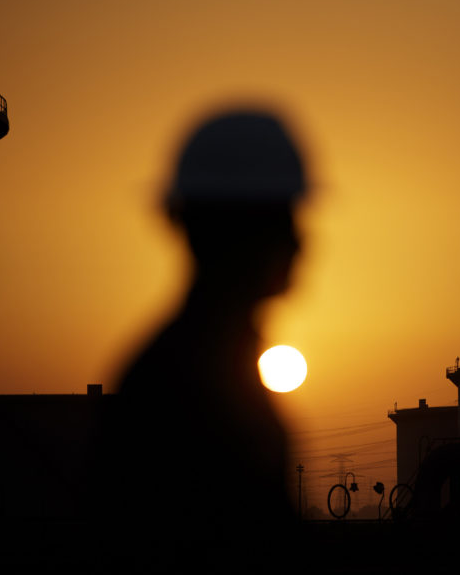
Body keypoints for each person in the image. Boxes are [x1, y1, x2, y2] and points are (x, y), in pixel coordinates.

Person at [100, 108, 306, 572]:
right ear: (231, 232)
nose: (301, 240)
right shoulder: (182, 390)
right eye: (282, 216)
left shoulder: (207, 369)